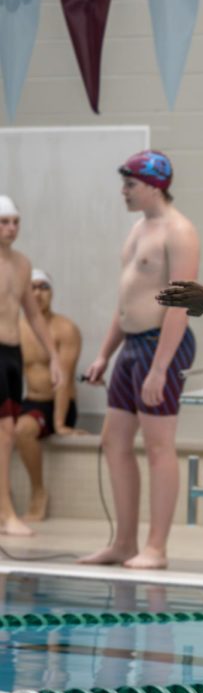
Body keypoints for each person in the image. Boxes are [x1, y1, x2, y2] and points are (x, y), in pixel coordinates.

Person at [79, 151, 199, 570]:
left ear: (153, 185)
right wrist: (103, 354)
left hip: (161, 345)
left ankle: (156, 548)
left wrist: (161, 366)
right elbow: (127, 298)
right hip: (131, 346)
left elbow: (179, 307)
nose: (124, 191)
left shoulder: (179, 232)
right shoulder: (137, 229)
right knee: (113, 441)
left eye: (129, 184)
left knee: (159, 446)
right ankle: (125, 542)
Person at [0, 196, 62, 537]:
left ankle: (5, 512)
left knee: (6, 433)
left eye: (15, 221)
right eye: (4, 222)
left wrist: (53, 356)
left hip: (12, 356)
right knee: (5, 433)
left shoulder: (23, 264)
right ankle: (7, 513)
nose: (11, 228)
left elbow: (34, 315)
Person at [15, 269, 86, 523]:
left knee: (23, 429)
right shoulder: (15, 328)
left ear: (52, 292)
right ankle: (5, 498)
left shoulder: (65, 329)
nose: (38, 293)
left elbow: (64, 378)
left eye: (44, 287)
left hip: (58, 404)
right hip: (30, 401)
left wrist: (60, 424)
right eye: (32, 287)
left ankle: (38, 492)